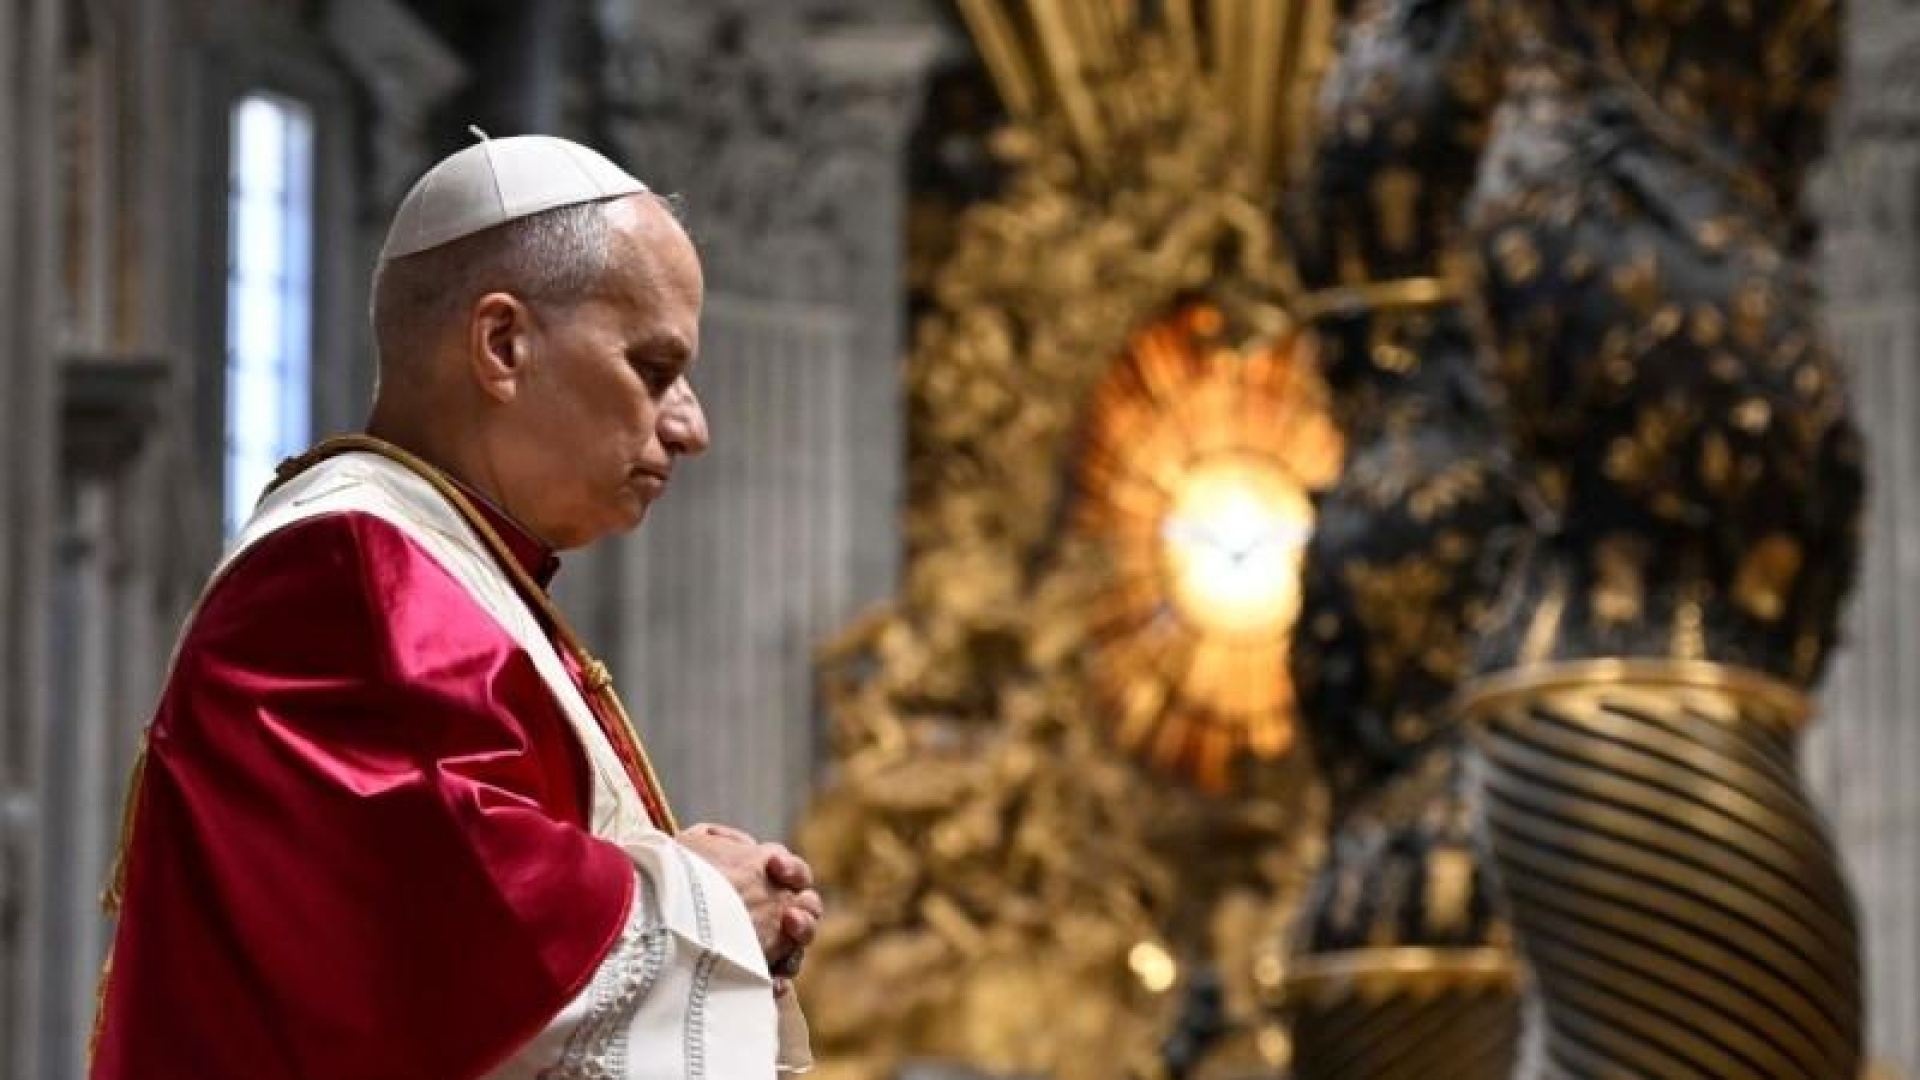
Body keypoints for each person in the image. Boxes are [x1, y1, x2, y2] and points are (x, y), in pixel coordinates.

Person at [91, 134, 818, 1079]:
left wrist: (678, 880)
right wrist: (708, 906)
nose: (691, 425)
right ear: (503, 344)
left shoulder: (454, 564)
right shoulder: (347, 567)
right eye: (652, 368)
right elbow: (447, 932)